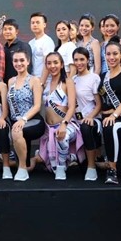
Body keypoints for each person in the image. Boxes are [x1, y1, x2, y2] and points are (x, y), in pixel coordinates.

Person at [37, 52, 79, 180]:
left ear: (61, 65)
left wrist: (64, 124)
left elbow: (72, 106)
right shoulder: (44, 84)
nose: (52, 66)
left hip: (66, 124)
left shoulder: (68, 82)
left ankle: (62, 167)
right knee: (50, 167)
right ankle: (64, 161)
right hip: (49, 128)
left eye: (55, 62)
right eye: (49, 63)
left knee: (62, 136)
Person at [99, 38, 121, 185]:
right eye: (108, 54)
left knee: (110, 126)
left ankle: (112, 171)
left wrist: (114, 114)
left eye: (115, 54)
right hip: (105, 117)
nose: (111, 57)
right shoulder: (102, 77)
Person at [7, 49, 44, 181]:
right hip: (17, 122)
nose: (19, 63)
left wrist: (24, 119)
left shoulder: (34, 80)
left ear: (28, 61)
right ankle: (30, 162)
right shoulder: (10, 81)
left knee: (16, 131)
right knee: (15, 131)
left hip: (33, 121)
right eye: (16, 60)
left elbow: (37, 106)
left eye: (22, 60)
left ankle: (22, 169)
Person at [72, 47, 103, 181]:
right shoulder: (72, 79)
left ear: (88, 60)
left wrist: (90, 116)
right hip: (76, 121)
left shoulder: (94, 78)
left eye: (82, 59)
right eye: (76, 60)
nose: (79, 63)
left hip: (92, 120)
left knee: (85, 126)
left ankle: (92, 167)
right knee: (80, 168)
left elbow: (99, 104)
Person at [2, 18, 32, 82]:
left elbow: (28, 67)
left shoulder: (23, 46)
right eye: (5, 29)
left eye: (10, 29)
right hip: (6, 85)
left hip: (21, 83)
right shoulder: (3, 48)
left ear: (16, 31)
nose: (7, 32)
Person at [28, 12, 54, 78]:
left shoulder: (47, 41)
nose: (35, 25)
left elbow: (48, 63)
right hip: (32, 79)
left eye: (37, 22)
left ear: (44, 25)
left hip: (44, 80)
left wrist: (42, 82)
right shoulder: (30, 43)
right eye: (32, 23)